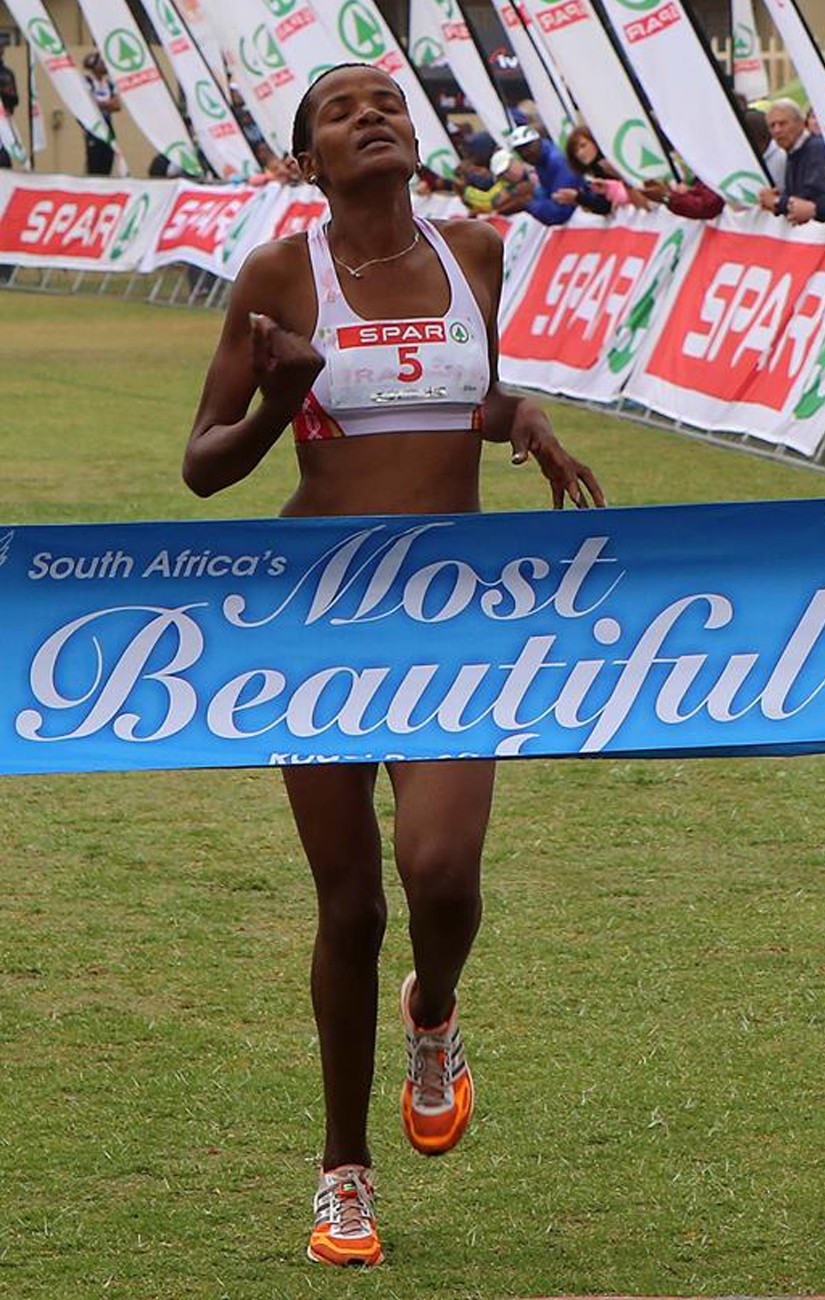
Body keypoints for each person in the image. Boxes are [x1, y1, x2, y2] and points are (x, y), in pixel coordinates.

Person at [183, 61, 604, 1269]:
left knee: (442, 871)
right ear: (307, 160)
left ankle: (434, 1014)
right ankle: (341, 1174)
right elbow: (205, 463)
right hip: (315, 615)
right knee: (351, 906)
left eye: (386, 103)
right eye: (339, 109)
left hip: (452, 611)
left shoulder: (475, 251)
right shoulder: (280, 274)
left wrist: (514, 413)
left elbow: (449, 394)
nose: (372, 115)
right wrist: (279, 402)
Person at [758, 98, 825, 225]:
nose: (777, 130)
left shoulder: (816, 149)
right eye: (772, 126)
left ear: (801, 123)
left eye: (782, 123)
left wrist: (777, 202)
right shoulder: (792, 153)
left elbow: (809, 202)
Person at [500, 122, 610, 223]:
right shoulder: (539, 161)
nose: (525, 153)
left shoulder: (558, 161)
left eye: (527, 147)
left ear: (538, 141)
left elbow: (560, 212)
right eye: (519, 151)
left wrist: (527, 204)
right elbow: (549, 196)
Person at [562, 124, 651, 210]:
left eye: (583, 146)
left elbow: (605, 205)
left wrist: (579, 198)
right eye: (576, 151)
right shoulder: (594, 171)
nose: (580, 153)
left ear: (595, 141)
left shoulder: (609, 164)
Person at [82, 51, 120, 176]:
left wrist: (101, 104)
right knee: (94, 164)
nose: (105, 66)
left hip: (108, 127)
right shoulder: (87, 81)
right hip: (93, 129)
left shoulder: (109, 83)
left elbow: (117, 105)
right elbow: (88, 104)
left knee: (108, 160)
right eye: (101, 63)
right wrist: (106, 104)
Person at [0, 45, 18, 169]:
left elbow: (15, 100)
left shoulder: (7, 73)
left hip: (3, 123)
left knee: (4, 162)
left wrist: (6, 92)